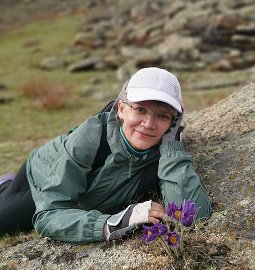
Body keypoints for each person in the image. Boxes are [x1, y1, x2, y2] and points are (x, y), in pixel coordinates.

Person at [0, 67, 211, 242]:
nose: (148, 124)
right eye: (140, 110)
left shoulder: (166, 154)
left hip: (80, 197)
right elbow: (48, 215)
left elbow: (192, 217)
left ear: (173, 122)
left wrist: (172, 145)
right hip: (43, 173)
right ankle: (5, 184)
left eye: (163, 116)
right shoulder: (91, 137)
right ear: (121, 109)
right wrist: (111, 224)